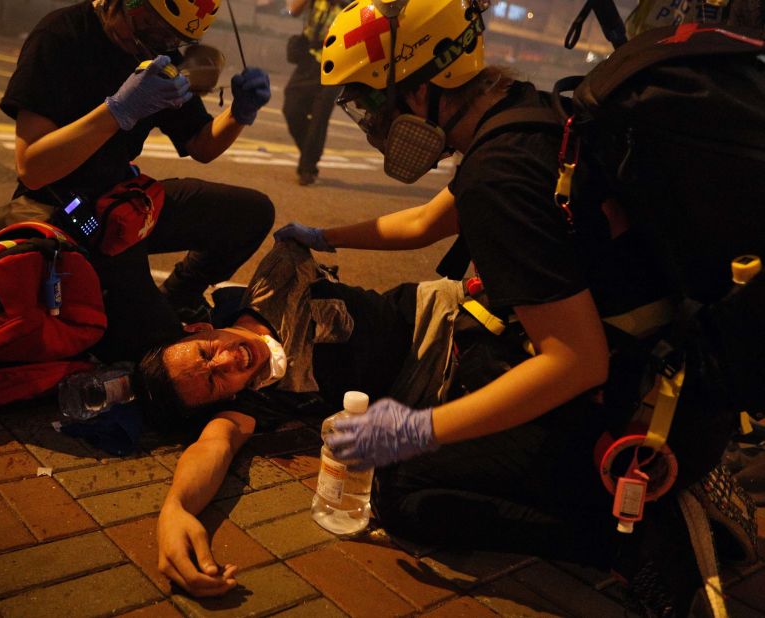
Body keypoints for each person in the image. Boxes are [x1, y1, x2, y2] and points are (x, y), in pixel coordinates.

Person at [271, 0, 742, 614]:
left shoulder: (501, 174)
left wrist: (417, 432)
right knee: (469, 378)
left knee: (408, 489)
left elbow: (576, 362)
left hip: (639, 412)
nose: (372, 121)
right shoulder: (528, 113)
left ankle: (636, 537)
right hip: (675, 365)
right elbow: (422, 223)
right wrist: (325, 237)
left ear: (422, 89)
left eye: (370, 102)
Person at [132, 239, 472, 596]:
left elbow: (295, 246)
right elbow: (214, 444)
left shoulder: (270, 291)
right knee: (407, 500)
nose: (227, 361)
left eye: (207, 352)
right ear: (226, 397)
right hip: (440, 400)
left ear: (200, 329)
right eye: (214, 381)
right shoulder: (254, 400)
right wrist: (175, 509)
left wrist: (323, 236)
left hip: (448, 325)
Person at [0, 0, 275, 361]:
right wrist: (118, 111)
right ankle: (135, 308)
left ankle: (180, 296)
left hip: (124, 201)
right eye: (148, 28)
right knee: (158, 349)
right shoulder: (61, 35)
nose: (153, 43)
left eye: (170, 38)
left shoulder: (159, 53)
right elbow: (32, 168)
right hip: (64, 206)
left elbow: (201, 144)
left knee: (251, 213)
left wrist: (239, 113)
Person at [283, 0, 350, 185]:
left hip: (336, 64)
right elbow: (293, 10)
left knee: (320, 117)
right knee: (291, 108)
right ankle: (310, 154)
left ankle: (307, 167)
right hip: (309, 59)